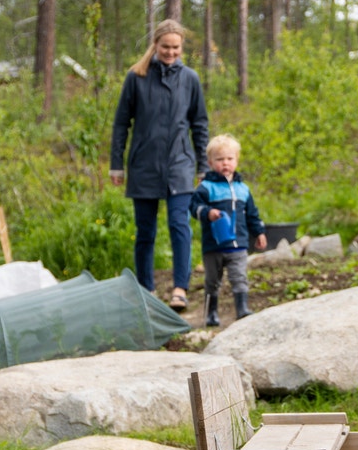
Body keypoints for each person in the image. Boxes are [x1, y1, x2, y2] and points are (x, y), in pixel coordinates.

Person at [110, 19, 209, 311]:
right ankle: (146, 290)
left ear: (182, 47)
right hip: (144, 165)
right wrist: (117, 164)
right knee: (145, 231)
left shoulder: (190, 79)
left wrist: (203, 165)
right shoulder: (136, 77)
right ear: (155, 45)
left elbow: (199, 124)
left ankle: (180, 289)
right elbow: (121, 124)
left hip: (180, 164)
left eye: (176, 47)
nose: (170, 52)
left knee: (180, 225)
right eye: (166, 47)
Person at [189, 134, 267, 327]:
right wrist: (208, 212)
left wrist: (259, 232)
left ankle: (242, 309)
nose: (225, 163)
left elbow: (252, 214)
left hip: (238, 244)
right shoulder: (206, 187)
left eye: (229, 159)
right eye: (220, 159)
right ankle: (211, 313)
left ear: (236, 160)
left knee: (239, 276)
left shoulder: (243, 189)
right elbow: (193, 207)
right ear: (210, 162)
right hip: (213, 245)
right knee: (212, 280)